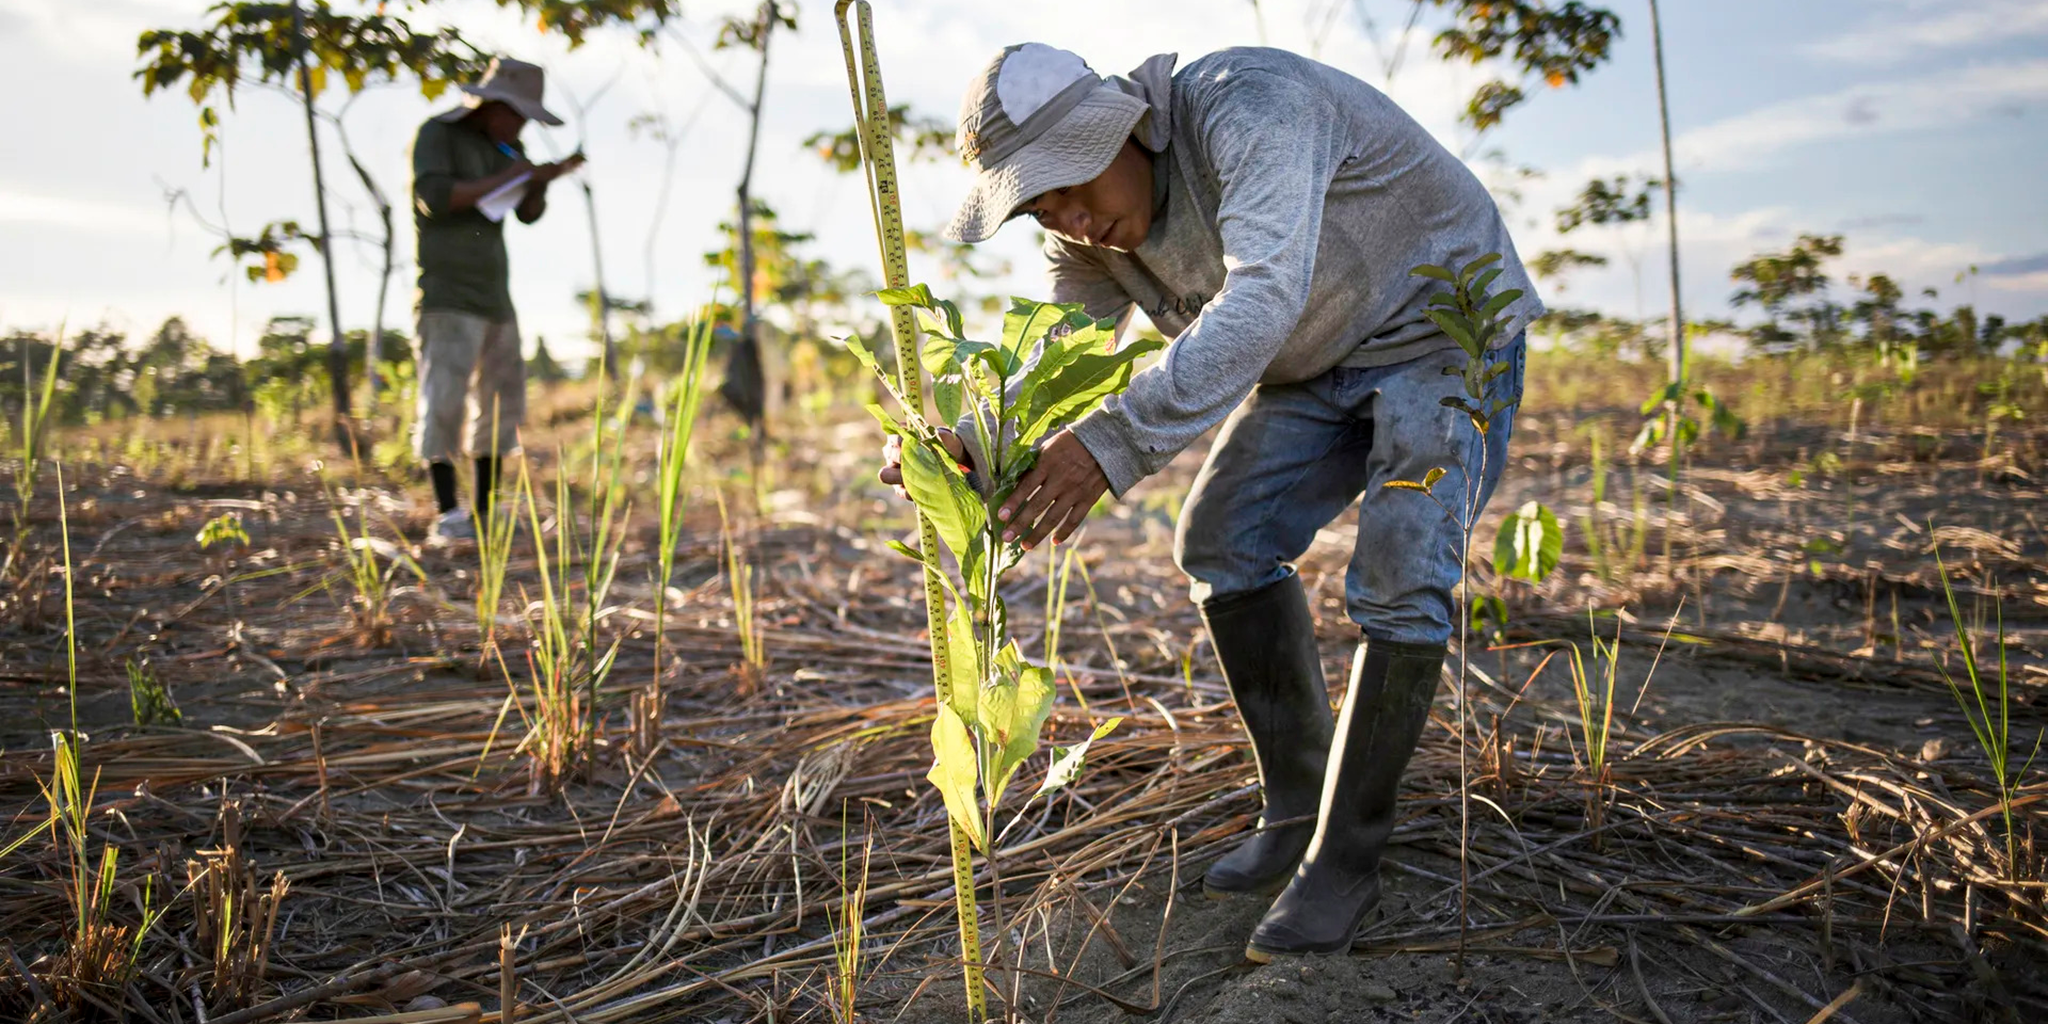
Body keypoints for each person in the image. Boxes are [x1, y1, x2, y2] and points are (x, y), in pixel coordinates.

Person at [880, 43, 1541, 959]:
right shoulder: (1084, 241)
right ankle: (1299, 803)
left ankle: (1346, 860)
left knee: (1398, 574)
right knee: (1222, 540)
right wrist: (978, 442)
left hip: (1443, 332)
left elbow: (1263, 295)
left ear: (1122, 129)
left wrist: (1111, 447)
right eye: (1039, 203)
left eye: (1071, 181)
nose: (1067, 216)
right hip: (1317, 364)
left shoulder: (1248, 105)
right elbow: (1058, 359)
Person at [409, 56, 585, 542]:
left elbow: (527, 214)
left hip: (495, 298)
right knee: (444, 400)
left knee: (502, 401)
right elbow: (437, 199)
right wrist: (513, 176)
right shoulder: (438, 136)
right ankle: (448, 513)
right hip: (448, 296)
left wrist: (538, 181)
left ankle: (486, 511)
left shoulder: (510, 148)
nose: (522, 123)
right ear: (493, 103)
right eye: (518, 112)